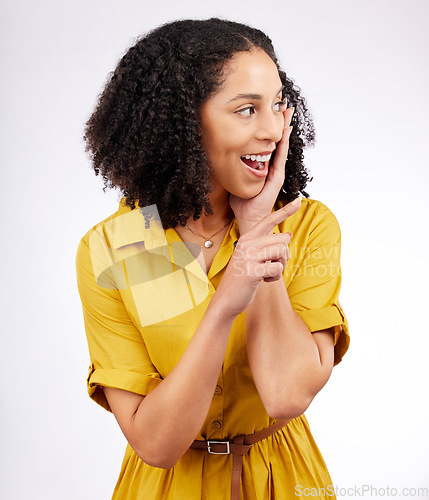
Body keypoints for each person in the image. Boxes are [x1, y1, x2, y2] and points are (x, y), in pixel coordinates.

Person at [76, 18, 350, 500]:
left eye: (278, 105)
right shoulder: (110, 248)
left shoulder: (308, 228)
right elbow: (155, 443)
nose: (272, 129)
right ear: (181, 122)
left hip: (282, 481)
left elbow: (286, 396)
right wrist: (224, 306)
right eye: (247, 109)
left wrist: (257, 228)